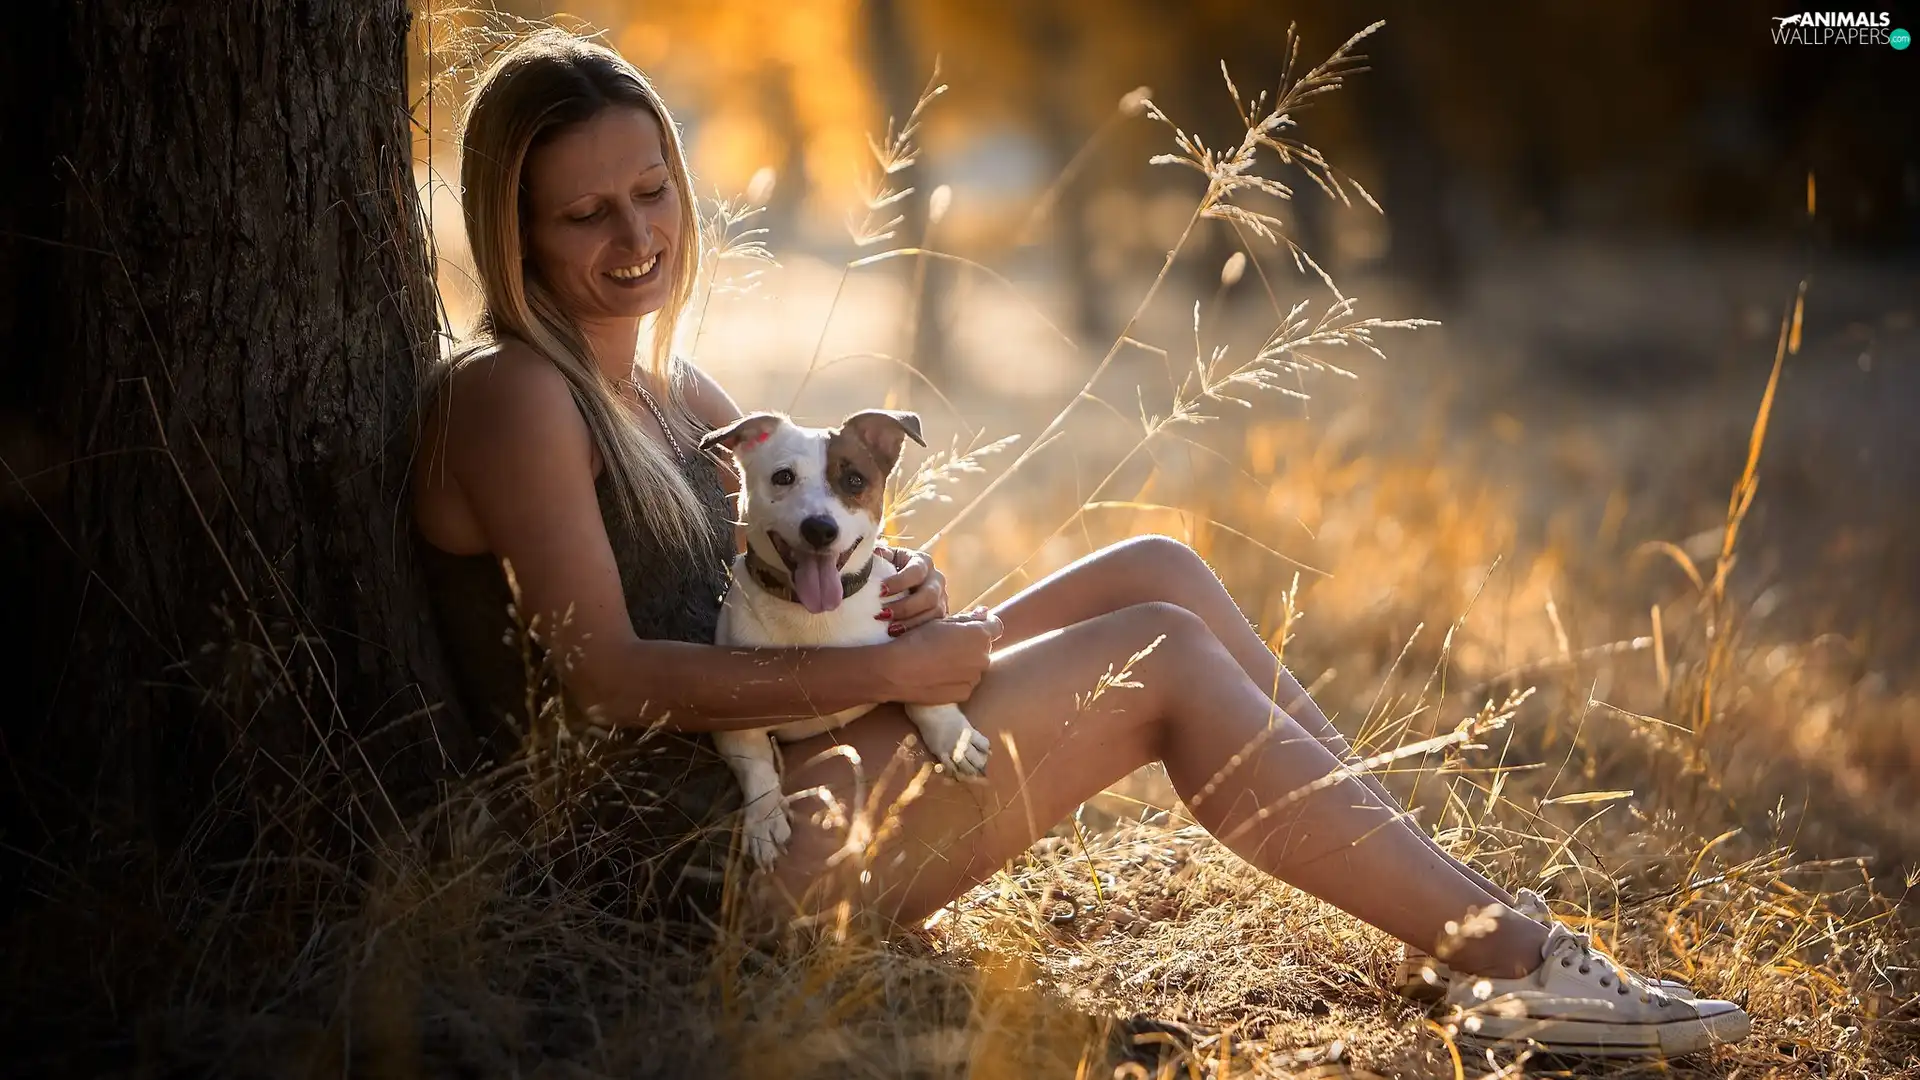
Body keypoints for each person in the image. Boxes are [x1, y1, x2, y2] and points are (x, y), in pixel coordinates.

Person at [410, 28, 1749, 1059]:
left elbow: (795, 568)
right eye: (587, 215)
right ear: (512, 228)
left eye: (652, 191)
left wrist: (895, 598)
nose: (638, 235)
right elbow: (608, 681)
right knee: (1154, 655)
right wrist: (895, 678)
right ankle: (1516, 959)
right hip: (697, 871)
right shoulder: (516, 395)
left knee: (1158, 569)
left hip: (808, 775)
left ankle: (1464, 929)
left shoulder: (680, 389)